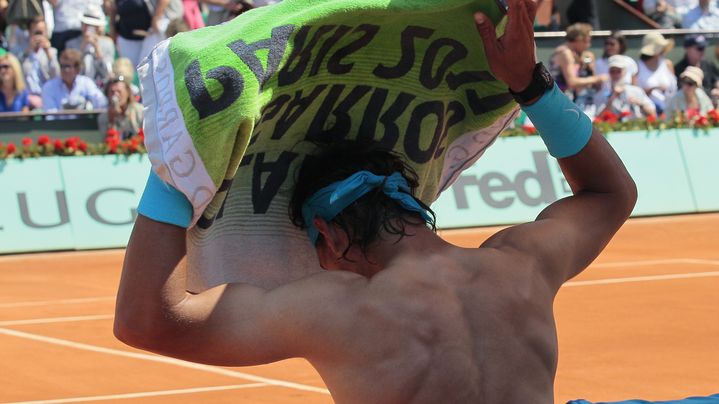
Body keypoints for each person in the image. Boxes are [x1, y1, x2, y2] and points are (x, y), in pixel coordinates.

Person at [114, 1, 638, 402]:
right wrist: (530, 85)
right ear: (409, 200)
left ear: (333, 236)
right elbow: (610, 193)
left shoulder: (338, 310)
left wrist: (187, 151)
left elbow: (146, 321)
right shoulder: (522, 266)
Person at [548, 22, 607, 116]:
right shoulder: (565, 53)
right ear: (578, 39)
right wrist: (597, 79)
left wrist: (590, 69)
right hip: (560, 103)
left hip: (574, 102)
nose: (589, 45)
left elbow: (593, 86)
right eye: (586, 41)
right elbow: (572, 82)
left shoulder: (579, 54)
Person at [109, 0, 184, 68]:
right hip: (128, 39)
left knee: (150, 67)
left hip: (152, 36)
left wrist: (156, 18)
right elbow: (112, 14)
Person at [41, 48, 107, 115]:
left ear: (77, 68)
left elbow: (101, 102)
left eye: (67, 66)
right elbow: (50, 113)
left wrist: (87, 106)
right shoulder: (49, 87)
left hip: (83, 123)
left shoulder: (86, 83)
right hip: (58, 124)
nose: (64, 70)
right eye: (62, 66)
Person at [65, 5, 115, 86]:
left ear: (98, 28)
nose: (88, 28)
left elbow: (108, 72)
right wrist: (82, 48)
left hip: (100, 85)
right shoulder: (71, 44)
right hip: (76, 85)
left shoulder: (107, 44)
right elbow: (69, 69)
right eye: (86, 25)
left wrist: (97, 49)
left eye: (92, 26)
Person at [595, 55, 656, 120]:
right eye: (612, 71)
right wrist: (613, 97)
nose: (615, 75)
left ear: (624, 72)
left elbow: (653, 114)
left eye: (619, 71)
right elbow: (599, 118)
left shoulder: (636, 91)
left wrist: (639, 104)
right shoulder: (602, 93)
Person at [21, 16, 59, 109]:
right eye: (36, 33)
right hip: (28, 99)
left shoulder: (53, 52)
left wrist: (48, 53)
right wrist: (29, 50)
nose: (39, 37)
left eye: (41, 33)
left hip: (48, 97)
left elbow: (57, 76)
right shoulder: (23, 53)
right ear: (29, 33)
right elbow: (18, 72)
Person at [637, 32, 676, 115]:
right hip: (646, 114)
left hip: (669, 111)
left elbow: (674, 90)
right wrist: (652, 89)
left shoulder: (668, 64)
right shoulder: (637, 67)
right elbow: (636, 94)